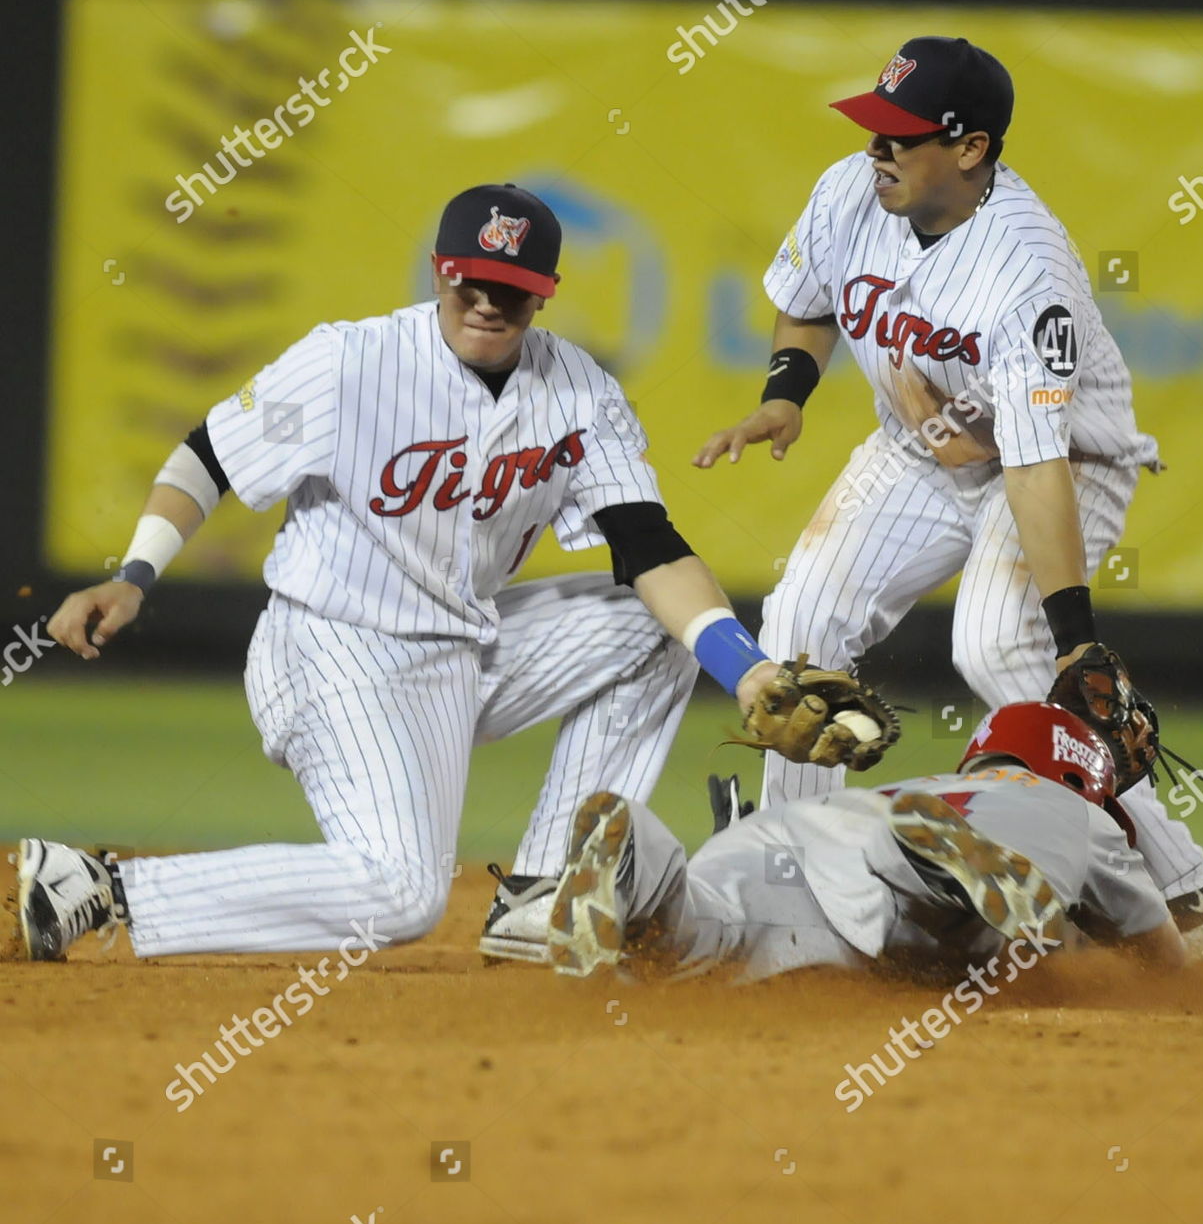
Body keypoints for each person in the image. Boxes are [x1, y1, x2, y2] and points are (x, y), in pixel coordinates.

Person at [19, 184, 804, 964]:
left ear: (546, 296)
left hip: (466, 646)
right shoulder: (350, 361)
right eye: (472, 281)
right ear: (439, 272)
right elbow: (208, 457)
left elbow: (649, 547)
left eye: (512, 289)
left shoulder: (580, 391)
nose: (488, 303)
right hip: (335, 647)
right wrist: (134, 574)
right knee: (401, 894)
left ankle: (541, 895)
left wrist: (746, 668)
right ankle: (96, 886)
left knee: (658, 627)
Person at [692, 35, 1203, 946]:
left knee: (996, 649)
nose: (877, 149)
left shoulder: (1022, 268)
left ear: (971, 148)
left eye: (902, 136)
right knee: (801, 622)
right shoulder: (851, 192)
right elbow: (807, 301)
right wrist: (785, 394)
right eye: (874, 128)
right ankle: (798, 878)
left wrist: (1076, 643)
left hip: (1062, 461)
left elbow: (1031, 462)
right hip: (918, 449)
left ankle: (1179, 893)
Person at [545, 702, 1187, 983]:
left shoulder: (932, 780)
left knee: (689, 943)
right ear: (1076, 772)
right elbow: (1164, 965)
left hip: (789, 833)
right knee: (974, 929)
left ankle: (640, 863)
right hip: (899, 877)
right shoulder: (1072, 810)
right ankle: (929, 865)